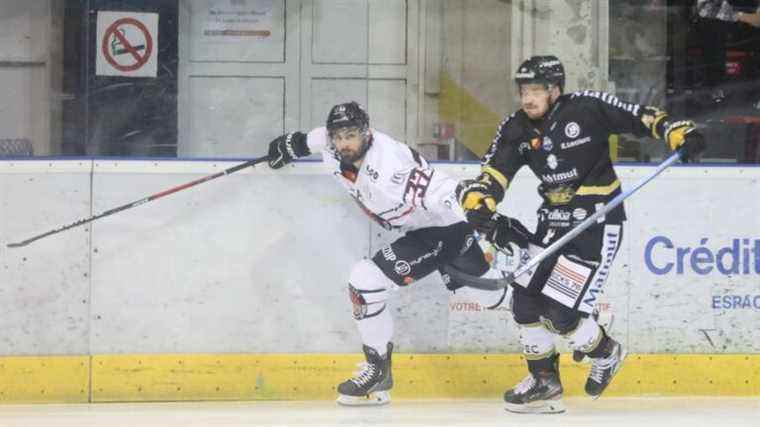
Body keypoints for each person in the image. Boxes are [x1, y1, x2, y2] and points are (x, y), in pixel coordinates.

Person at [456, 55, 706, 414]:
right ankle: (545, 382)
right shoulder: (517, 128)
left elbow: (641, 117)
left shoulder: (587, 108)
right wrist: (480, 199)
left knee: (560, 312)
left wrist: (676, 132)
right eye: (524, 90)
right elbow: (494, 171)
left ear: (555, 90)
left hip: (596, 224)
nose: (528, 98)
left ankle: (606, 352)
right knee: (524, 303)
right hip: (551, 224)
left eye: (537, 90)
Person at [266, 101, 509, 406]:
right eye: (338, 136)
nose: (344, 143)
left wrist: (470, 201)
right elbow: (313, 139)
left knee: (365, 281)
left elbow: (440, 189)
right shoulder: (331, 145)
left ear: (367, 133)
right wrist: (293, 145)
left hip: (442, 229)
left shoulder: (390, 165)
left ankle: (378, 372)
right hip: (424, 232)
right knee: (491, 296)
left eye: (351, 135)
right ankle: (545, 310)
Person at [694, 0, 760, 103]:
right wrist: (741, 16)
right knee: (711, 26)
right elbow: (704, 9)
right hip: (723, 27)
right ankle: (716, 89)